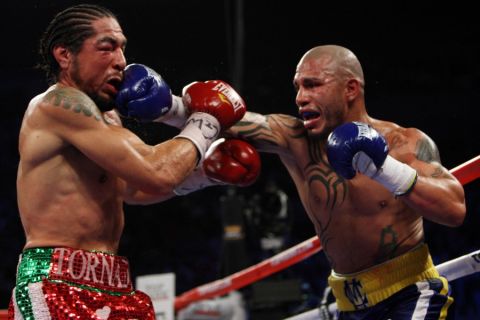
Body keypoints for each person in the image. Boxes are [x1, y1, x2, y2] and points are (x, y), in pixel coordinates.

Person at [10, 4, 260, 319]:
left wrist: (204, 173)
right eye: (106, 48)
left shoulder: (107, 115)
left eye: (122, 48)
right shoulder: (57, 104)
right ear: (64, 55)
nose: (121, 61)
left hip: (114, 281)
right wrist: (206, 120)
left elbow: (132, 189)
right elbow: (156, 171)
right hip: (55, 280)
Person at [207, 45, 465, 319]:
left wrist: (383, 168)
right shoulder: (295, 141)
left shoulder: (404, 143)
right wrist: (169, 105)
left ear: (351, 89)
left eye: (312, 85)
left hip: (409, 294)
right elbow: (223, 117)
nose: (300, 97)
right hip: (348, 304)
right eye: (298, 87)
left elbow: (454, 209)